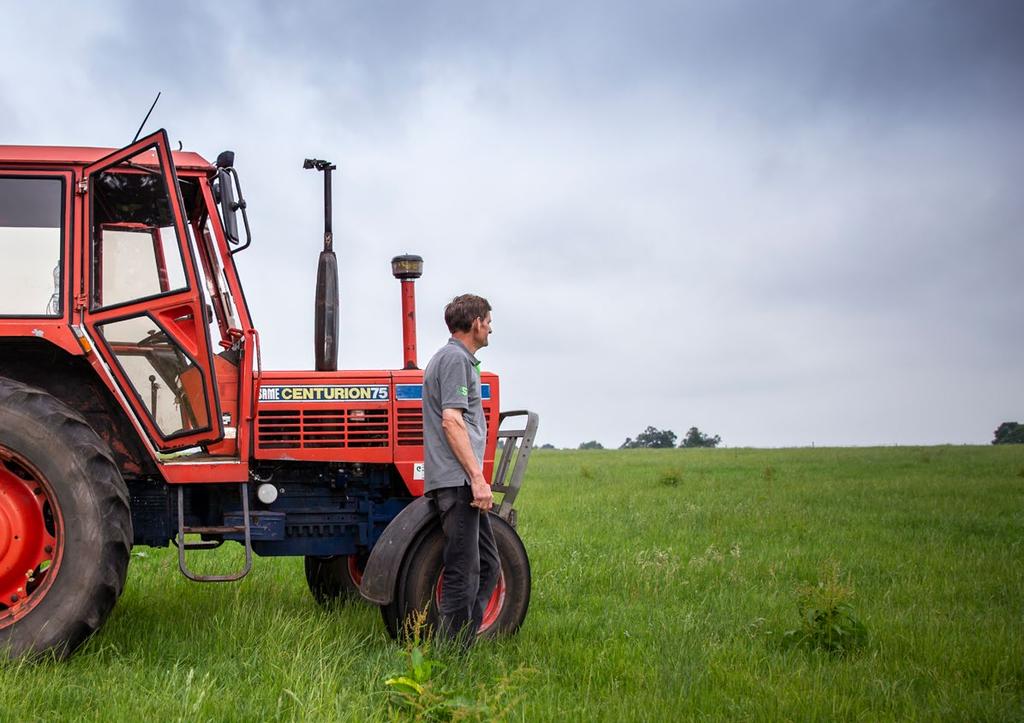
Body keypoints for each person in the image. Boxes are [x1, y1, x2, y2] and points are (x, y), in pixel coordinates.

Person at [421, 293, 499, 648]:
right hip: (458, 483)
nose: (491, 328)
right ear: (476, 323)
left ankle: (463, 641)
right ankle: (450, 655)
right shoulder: (455, 360)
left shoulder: (455, 359)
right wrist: (478, 478)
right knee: (462, 574)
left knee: (488, 565)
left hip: (460, 482)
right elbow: (452, 421)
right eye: (488, 320)